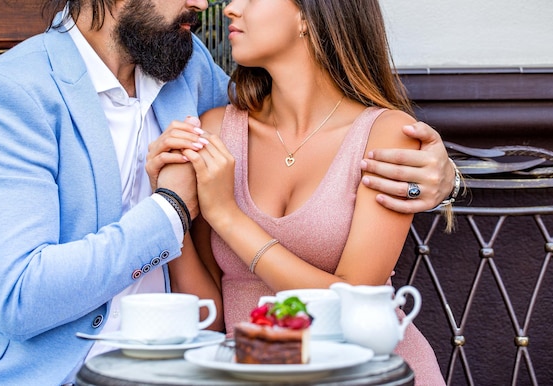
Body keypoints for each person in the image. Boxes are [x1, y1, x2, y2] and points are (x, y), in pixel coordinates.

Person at [0, 0, 454, 384]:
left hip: (194, 365)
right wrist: (169, 211)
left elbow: (305, 122)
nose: (207, 0)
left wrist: (448, 180)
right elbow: (21, 297)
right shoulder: (9, 93)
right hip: (42, 372)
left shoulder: (189, 73)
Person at [162, 0, 447, 384]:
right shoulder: (215, 132)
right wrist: (169, 208)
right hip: (253, 371)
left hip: (368, 374)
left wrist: (227, 217)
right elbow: (207, 315)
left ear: (309, 15)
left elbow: (351, 306)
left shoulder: (387, 135)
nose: (230, 8)